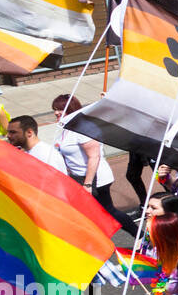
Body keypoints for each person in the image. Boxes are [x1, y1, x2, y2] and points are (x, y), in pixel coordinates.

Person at [50, 95, 137, 235]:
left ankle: (141, 237)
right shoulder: (67, 128)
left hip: (96, 179)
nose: (56, 113)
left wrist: (88, 184)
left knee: (109, 212)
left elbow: (94, 156)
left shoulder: (83, 127)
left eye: (60, 109)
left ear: (70, 109)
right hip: (78, 178)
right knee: (92, 215)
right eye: (54, 109)